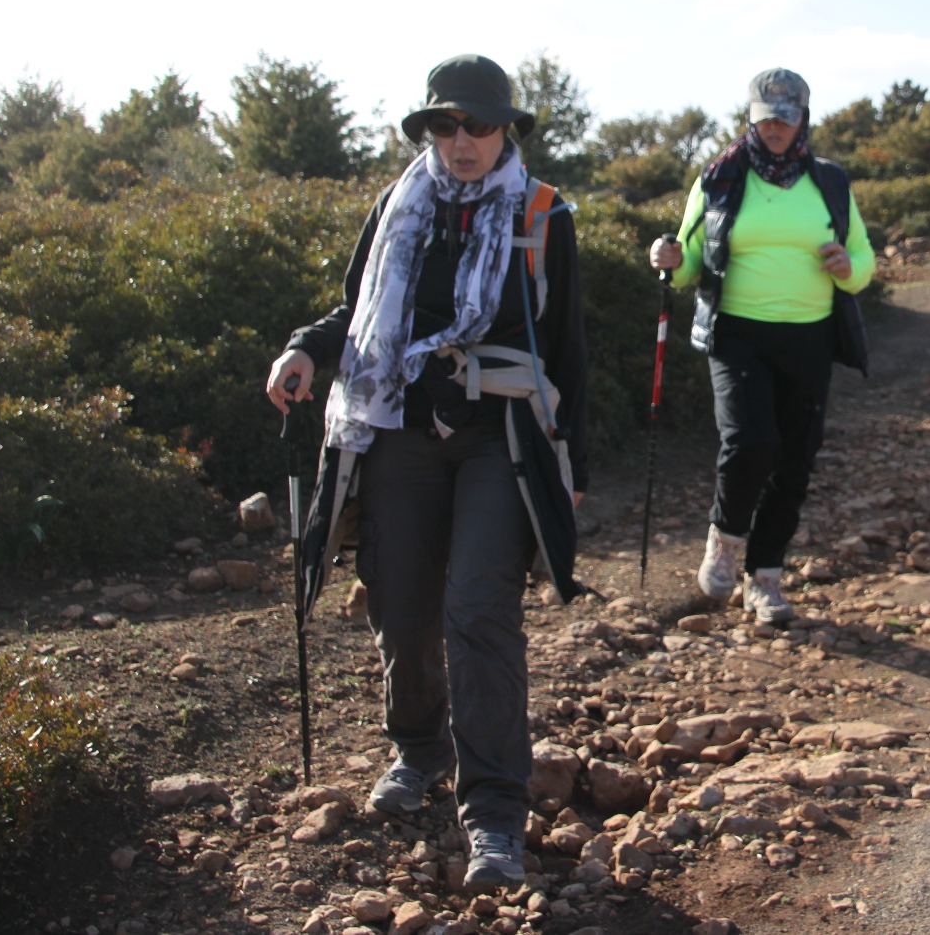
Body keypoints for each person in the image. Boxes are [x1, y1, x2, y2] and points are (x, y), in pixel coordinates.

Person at [265, 54, 588, 887]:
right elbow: (360, 309)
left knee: (478, 608)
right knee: (403, 608)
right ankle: (417, 751)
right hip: (398, 427)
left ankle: (494, 818)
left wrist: (571, 464)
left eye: (479, 125)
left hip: (499, 436)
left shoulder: (544, 214)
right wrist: (306, 348)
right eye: (444, 125)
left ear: (507, 130)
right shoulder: (397, 204)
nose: (461, 141)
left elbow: (568, 353)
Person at [648, 69, 874, 624]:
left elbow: (863, 262)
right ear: (751, 117)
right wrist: (673, 263)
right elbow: (692, 260)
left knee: (794, 458)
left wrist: (848, 267)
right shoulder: (719, 179)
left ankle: (765, 579)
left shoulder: (830, 182)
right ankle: (725, 540)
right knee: (750, 441)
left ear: (803, 120)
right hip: (736, 332)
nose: (775, 127)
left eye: (786, 117)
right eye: (766, 117)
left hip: (810, 335)